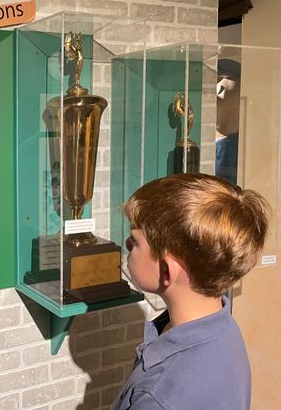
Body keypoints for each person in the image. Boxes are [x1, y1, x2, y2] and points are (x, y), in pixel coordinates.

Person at [111, 173, 269, 410]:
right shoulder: (222, 324)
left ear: (166, 271)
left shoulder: (158, 397)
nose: (127, 245)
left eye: (136, 241)